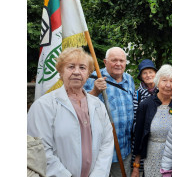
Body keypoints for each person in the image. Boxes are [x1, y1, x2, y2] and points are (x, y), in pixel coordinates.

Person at [28, 47, 114, 177]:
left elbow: (107, 144)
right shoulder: (43, 106)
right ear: (61, 71)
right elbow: (41, 150)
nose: (77, 72)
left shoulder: (98, 105)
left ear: (88, 73)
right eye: (71, 67)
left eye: (82, 68)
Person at [84, 47, 135, 176]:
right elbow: (80, 108)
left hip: (124, 149)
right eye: (114, 60)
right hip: (100, 150)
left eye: (121, 60)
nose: (118, 64)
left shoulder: (129, 79)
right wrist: (95, 91)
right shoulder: (92, 79)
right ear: (105, 62)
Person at [132, 64, 172, 177]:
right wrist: (136, 166)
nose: (168, 85)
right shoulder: (145, 105)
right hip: (152, 156)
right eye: (164, 80)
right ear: (157, 82)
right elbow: (138, 137)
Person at [131, 59, 158, 176]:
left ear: (156, 74)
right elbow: (135, 117)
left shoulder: (162, 91)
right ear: (141, 76)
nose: (148, 75)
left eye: (151, 72)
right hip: (142, 137)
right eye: (145, 73)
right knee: (141, 169)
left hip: (158, 138)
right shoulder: (137, 94)